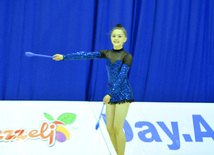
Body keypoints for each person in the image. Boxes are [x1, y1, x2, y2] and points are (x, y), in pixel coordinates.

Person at [53, 24, 134, 155]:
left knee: (117, 128)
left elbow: (121, 77)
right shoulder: (106, 53)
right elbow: (86, 55)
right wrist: (64, 57)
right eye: (114, 36)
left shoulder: (127, 56)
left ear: (125, 39)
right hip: (111, 94)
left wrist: (110, 94)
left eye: (119, 36)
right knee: (109, 128)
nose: (116, 38)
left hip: (123, 94)